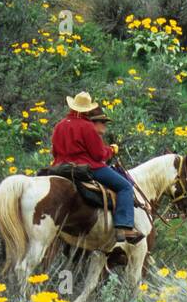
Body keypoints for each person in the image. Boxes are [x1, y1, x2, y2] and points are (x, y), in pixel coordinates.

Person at [51, 91, 143, 244]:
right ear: (87, 109)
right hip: (88, 167)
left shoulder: (60, 125)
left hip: (61, 167)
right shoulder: (87, 126)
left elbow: (54, 151)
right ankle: (124, 227)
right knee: (125, 187)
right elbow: (99, 154)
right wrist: (112, 150)